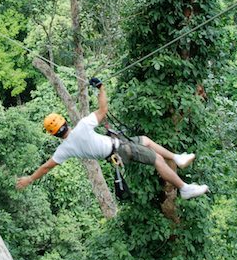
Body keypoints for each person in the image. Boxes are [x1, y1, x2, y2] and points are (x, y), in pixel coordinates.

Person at [16, 78, 209, 199]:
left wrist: (30, 179)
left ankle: (177, 158)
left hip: (119, 148)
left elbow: (46, 166)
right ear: (64, 121)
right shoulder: (82, 126)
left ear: (53, 134)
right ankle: (184, 188)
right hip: (120, 150)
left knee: (145, 140)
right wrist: (101, 88)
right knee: (157, 159)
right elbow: (103, 110)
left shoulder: (64, 149)